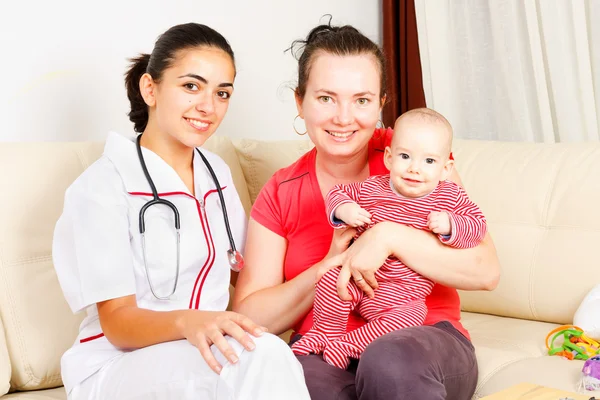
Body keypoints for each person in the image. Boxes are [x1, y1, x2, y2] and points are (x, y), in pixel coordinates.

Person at [232, 20, 500, 400]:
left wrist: (386, 236)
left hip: (421, 339)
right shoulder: (281, 191)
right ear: (300, 101)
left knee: (387, 361)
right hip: (326, 345)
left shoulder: (416, 157)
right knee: (298, 383)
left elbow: (486, 271)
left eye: (362, 100)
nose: (344, 118)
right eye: (326, 98)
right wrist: (331, 264)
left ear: (381, 104)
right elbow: (251, 318)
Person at [52, 23, 310, 400]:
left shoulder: (215, 174)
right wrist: (193, 321)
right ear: (150, 89)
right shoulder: (102, 187)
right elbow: (118, 323)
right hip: (114, 365)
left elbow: (249, 275)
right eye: (191, 86)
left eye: (222, 93)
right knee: (257, 357)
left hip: (197, 349)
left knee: (265, 352)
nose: (208, 106)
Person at [291, 108, 487, 369]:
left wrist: (452, 225)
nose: (415, 169)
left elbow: (477, 225)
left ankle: (347, 345)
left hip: (405, 297)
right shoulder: (373, 187)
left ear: (445, 168)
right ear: (389, 158)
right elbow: (338, 194)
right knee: (330, 279)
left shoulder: (448, 196)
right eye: (405, 157)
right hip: (357, 283)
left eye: (429, 161)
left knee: (409, 318)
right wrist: (344, 210)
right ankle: (325, 333)